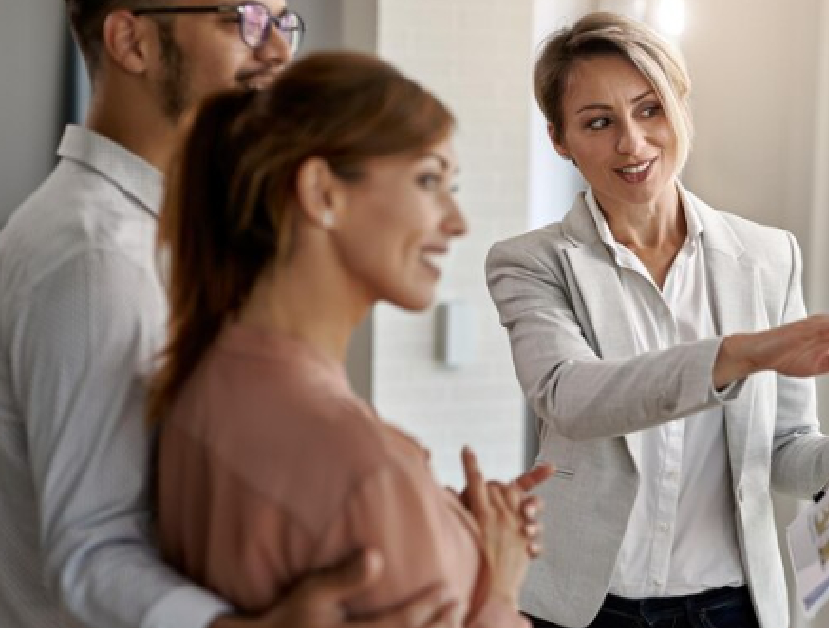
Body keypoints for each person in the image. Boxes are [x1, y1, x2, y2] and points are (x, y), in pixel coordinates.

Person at [0, 3, 531, 628]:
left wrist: (424, 525)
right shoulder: (98, 258)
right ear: (132, 41)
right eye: (245, 18)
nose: (279, 49)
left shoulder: (190, 244)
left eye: (283, 20)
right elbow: (93, 552)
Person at [485, 11, 829, 628]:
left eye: (650, 109)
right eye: (599, 122)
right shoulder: (532, 262)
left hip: (728, 608)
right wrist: (736, 356)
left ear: (681, 107)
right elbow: (570, 397)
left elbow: (782, 451)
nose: (632, 143)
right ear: (559, 140)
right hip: (585, 609)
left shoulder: (768, 257)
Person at [149, 51, 538, 628]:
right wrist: (499, 587)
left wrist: (442, 518)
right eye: (429, 181)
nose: (457, 222)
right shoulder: (370, 476)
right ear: (322, 193)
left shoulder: (199, 383)